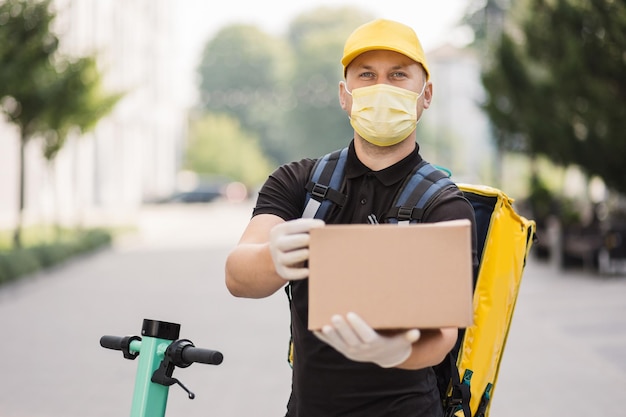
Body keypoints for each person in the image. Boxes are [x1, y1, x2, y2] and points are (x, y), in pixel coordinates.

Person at [225, 18, 478, 417]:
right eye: (367, 75)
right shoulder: (299, 183)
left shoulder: (444, 205)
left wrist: (398, 350)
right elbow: (237, 277)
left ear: (425, 94)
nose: (382, 88)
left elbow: (443, 333)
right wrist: (272, 257)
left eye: (398, 75)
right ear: (345, 95)